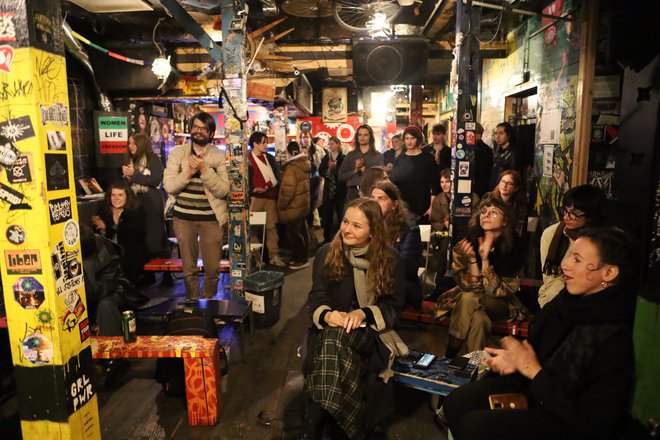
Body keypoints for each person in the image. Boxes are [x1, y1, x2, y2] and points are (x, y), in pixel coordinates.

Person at [443, 226, 638, 440]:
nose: (565, 264)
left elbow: (591, 424)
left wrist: (532, 369)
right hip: (535, 388)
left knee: (474, 427)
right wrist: (514, 362)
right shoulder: (566, 302)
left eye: (577, 260)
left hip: (565, 418)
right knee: (455, 403)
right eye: (570, 256)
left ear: (609, 272)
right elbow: (534, 352)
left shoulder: (613, 335)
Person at [303, 198, 407, 440]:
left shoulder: (390, 259)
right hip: (332, 328)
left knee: (333, 342)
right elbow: (317, 296)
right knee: (333, 339)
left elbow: (393, 307)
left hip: (370, 331)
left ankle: (312, 428)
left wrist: (363, 312)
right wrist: (329, 314)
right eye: (345, 221)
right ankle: (349, 431)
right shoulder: (327, 253)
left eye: (357, 226)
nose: (347, 229)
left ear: (373, 231)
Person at [445, 198, 527, 358]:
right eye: (483, 212)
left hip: (502, 304)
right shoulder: (466, 240)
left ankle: (449, 355)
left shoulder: (515, 246)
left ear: (505, 221)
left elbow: (500, 292)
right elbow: (466, 286)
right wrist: (473, 260)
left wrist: (485, 260)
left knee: (469, 299)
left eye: (493, 212)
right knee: (480, 320)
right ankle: (475, 366)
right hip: (471, 302)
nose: (486, 215)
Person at [163, 112, 229, 299]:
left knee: (212, 267)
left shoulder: (219, 156)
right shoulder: (178, 153)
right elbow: (169, 186)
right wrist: (188, 173)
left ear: (211, 133)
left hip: (211, 219)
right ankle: (192, 303)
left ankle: (209, 302)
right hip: (183, 218)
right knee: (188, 266)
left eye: (204, 129)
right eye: (196, 127)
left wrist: (204, 170)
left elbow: (223, 190)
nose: (199, 132)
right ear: (190, 128)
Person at [538, 184, 607, 308]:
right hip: (557, 293)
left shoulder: (603, 238)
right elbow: (550, 279)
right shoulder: (552, 234)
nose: (566, 217)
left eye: (573, 214)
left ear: (590, 216)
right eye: (565, 210)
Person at [371, 181, 423, 309]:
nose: (375, 203)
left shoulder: (409, 229)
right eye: (372, 198)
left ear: (394, 204)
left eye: (381, 199)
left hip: (398, 284)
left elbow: (408, 269)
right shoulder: (366, 225)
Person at [91, 180, 148, 285]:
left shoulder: (136, 210)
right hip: (108, 254)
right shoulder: (104, 210)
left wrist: (108, 227)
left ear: (127, 196)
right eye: (113, 195)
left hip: (131, 253)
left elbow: (134, 235)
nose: (116, 198)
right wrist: (102, 229)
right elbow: (97, 236)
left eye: (120, 195)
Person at [122, 133, 168, 259]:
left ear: (141, 144)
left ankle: (161, 270)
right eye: (129, 143)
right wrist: (127, 177)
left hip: (151, 202)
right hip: (134, 201)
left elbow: (156, 180)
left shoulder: (153, 158)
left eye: (133, 143)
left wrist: (134, 174)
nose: (130, 146)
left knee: (153, 237)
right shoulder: (130, 160)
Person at [247, 131, 286, 267]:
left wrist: (267, 187)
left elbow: (276, 178)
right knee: (253, 228)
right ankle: (256, 258)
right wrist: (252, 189)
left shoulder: (269, 158)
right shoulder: (247, 159)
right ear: (255, 144)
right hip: (255, 198)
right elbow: (244, 179)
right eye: (263, 142)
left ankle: (273, 256)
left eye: (266, 142)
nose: (265, 145)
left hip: (270, 197)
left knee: (271, 227)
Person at [388, 125, 440, 223]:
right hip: (405, 209)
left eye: (412, 138)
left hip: (424, 206)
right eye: (407, 138)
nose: (409, 141)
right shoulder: (400, 159)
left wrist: (432, 207)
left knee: (423, 237)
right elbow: (395, 185)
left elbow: (434, 185)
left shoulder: (428, 158)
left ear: (418, 139)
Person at [278, 141, 311, 270]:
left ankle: (300, 259)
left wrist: (281, 205)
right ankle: (304, 257)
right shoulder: (304, 164)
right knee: (302, 231)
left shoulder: (291, 167)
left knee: (293, 233)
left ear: (288, 152)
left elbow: (288, 190)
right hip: (302, 204)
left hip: (293, 205)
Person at [338, 124, 384, 208]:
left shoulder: (377, 156)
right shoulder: (350, 155)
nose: (362, 137)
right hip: (352, 193)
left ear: (370, 137)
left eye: (365, 135)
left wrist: (363, 168)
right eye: (360, 135)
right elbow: (341, 176)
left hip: (370, 193)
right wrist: (355, 170)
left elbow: (379, 178)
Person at [318, 136, 346, 243]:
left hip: (340, 190)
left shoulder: (343, 158)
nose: (330, 146)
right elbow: (321, 170)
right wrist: (328, 170)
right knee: (327, 214)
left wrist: (335, 169)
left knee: (341, 214)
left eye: (332, 144)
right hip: (328, 190)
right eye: (329, 144)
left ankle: (341, 239)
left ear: (338, 144)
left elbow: (345, 172)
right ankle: (327, 239)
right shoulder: (326, 157)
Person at [483, 170, 528, 237]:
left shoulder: (520, 205)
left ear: (516, 188)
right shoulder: (488, 197)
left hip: (509, 239)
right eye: (503, 181)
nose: (504, 185)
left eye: (509, 183)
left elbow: (519, 230)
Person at [489, 122, 521, 188]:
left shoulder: (513, 153)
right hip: (496, 189)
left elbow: (514, 176)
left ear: (508, 135)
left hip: (505, 189)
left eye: (501, 133)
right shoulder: (498, 151)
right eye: (496, 133)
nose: (497, 136)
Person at [473, 123, 494, 198]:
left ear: (479, 135)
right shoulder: (469, 148)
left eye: (473, 133)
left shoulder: (485, 150)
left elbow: (484, 171)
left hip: (480, 187)